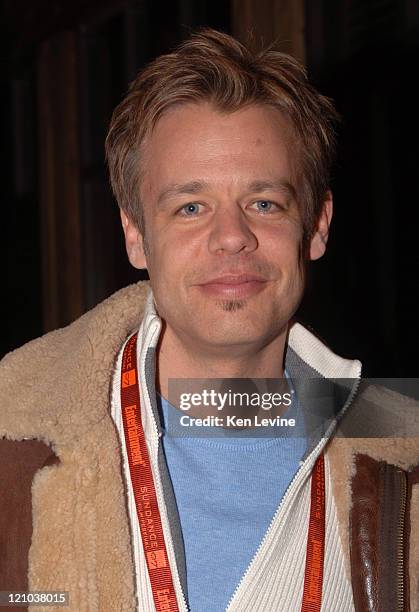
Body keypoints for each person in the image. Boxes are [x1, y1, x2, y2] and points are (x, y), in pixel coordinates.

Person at [0, 28, 417, 612]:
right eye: (190, 207)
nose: (232, 238)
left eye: (264, 203)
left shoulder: (405, 451)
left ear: (318, 226)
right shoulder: (11, 429)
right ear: (136, 234)